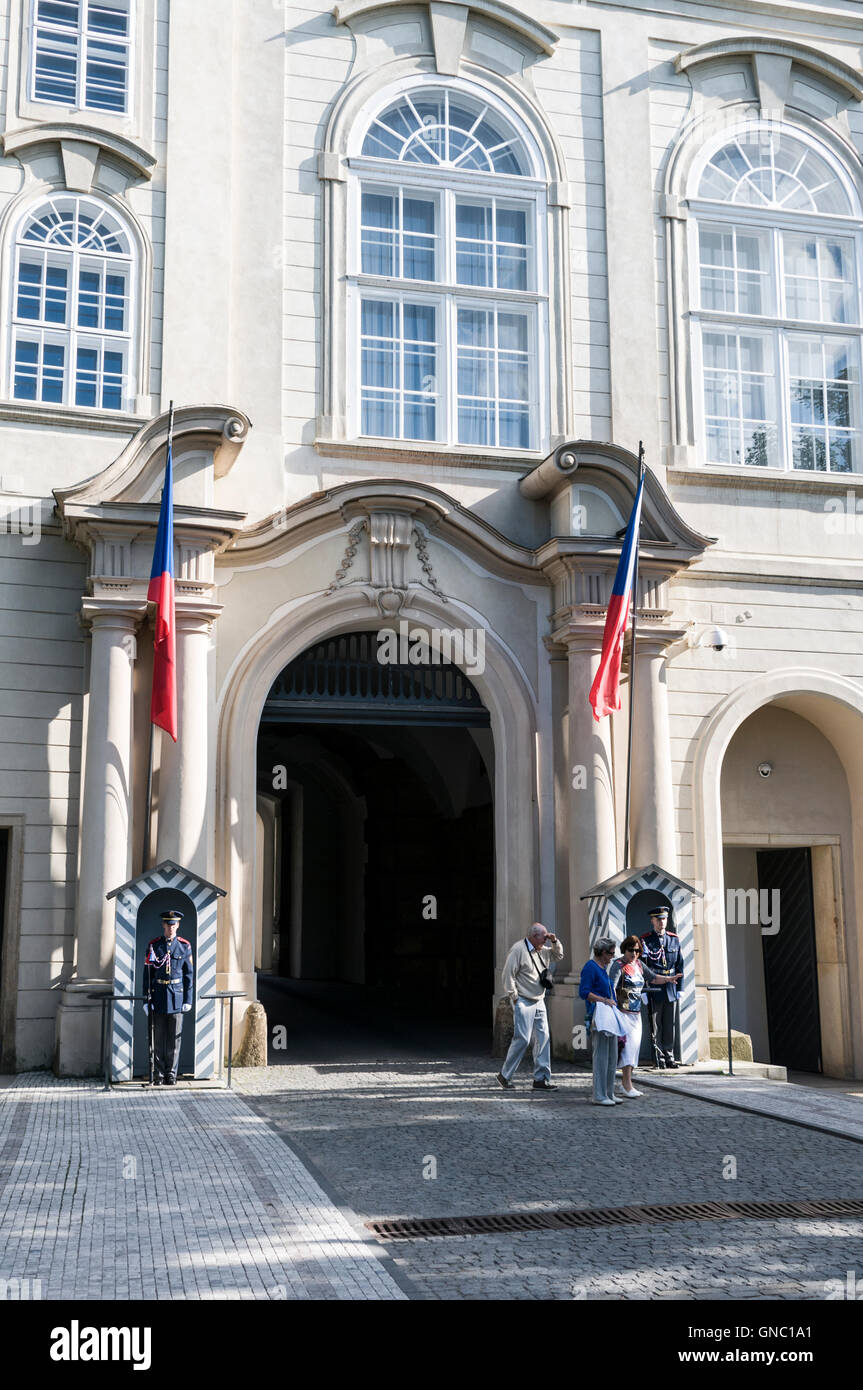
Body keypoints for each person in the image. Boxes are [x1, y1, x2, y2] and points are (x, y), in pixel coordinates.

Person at [609, 936, 682, 1097]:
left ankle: (627, 1083)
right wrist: (612, 1008)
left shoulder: (639, 965)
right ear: (624, 949)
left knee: (634, 1048)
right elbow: (611, 988)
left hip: (635, 1013)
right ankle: (626, 1085)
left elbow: (653, 978)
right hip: (622, 1013)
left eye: (637, 950)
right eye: (631, 950)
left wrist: (669, 979)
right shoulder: (618, 965)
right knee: (627, 1049)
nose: (634, 953)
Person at [496, 923, 564, 1090]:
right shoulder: (518, 949)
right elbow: (508, 974)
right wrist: (514, 997)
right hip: (524, 1000)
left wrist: (555, 941)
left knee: (543, 1038)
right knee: (523, 1039)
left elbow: (559, 956)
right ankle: (505, 1075)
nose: (546, 939)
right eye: (544, 936)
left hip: (539, 1000)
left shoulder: (543, 950)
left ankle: (541, 1079)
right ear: (534, 936)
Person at [142, 909, 194, 1085]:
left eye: (174, 924)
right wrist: (145, 999)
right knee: (157, 1038)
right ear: (163, 925)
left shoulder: (184, 946)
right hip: (158, 996)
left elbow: (189, 975)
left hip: (177, 997)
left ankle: (171, 1073)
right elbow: (147, 975)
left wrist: (188, 999)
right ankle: (158, 1073)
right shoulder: (154, 946)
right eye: (168, 924)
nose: (171, 927)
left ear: (178, 925)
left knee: (174, 1038)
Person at [578, 937, 623, 1106]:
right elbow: (584, 992)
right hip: (599, 1016)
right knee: (601, 1057)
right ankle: (599, 1094)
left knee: (612, 1056)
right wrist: (604, 1000)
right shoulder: (590, 967)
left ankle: (609, 1093)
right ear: (603, 953)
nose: (612, 956)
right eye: (611, 953)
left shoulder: (603, 967)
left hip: (609, 1016)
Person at [640, 905, 683, 1069]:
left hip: (670, 987)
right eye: (658, 919)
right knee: (655, 1024)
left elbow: (680, 965)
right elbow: (643, 966)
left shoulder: (674, 939)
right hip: (654, 986)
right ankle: (658, 1057)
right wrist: (644, 989)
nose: (661, 922)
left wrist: (680, 988)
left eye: (664, 919)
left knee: (669, 1023)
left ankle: (669, 1055)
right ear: (652, 921)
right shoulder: (646, 940)